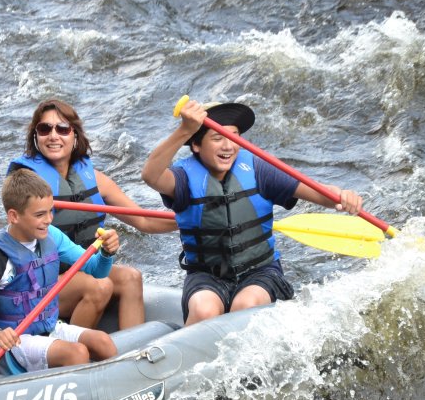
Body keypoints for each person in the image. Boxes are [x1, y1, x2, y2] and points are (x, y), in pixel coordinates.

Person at [141, 99, 365, 325]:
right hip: (206, 277)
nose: (228, 146)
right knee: (204, 309)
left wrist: (342, 195)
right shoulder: (182, 177)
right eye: (217, 138)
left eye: (234, 136)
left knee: (245, 306)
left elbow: (317, 191)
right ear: (196, 145)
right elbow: (151, 175)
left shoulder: (259, 169)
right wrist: (185, 130)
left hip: (260, 272)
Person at [8, 98, 176, 330]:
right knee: (97, 285)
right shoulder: (25, 182)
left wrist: (190, 217)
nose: (53, 136)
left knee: (130, 277)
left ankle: (133, 351)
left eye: (63, 129)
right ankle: (71, 352)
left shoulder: (94, 179)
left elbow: (145, 220)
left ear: (75, 135)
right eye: (45, 129)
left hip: (82, 270)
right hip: (37, 282)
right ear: (35, 136)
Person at [0, 169, 119, 374]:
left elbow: (97, 271)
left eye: (51, 211)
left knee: (104, 342)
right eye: (40, 214)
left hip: (48, 328)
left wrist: (106, 252)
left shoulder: (53, 236)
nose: (49, 219)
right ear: (13, 216)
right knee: (77, 354)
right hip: (16, 339)